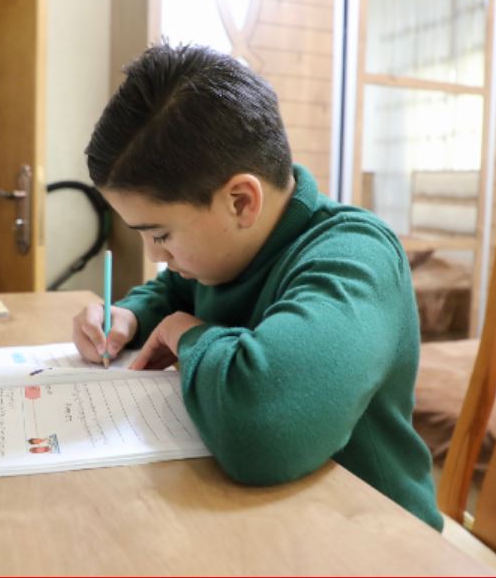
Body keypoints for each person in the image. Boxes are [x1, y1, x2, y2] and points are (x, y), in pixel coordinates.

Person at [71, 42, 441, 530]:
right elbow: (178, 296)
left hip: (376, 538)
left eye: (161, 235)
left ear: (242, 201)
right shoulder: (231, 252)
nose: (157, 256)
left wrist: (188, 334)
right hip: (270, 522)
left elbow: (264, 426)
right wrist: (132, 314)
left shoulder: (354, 256)